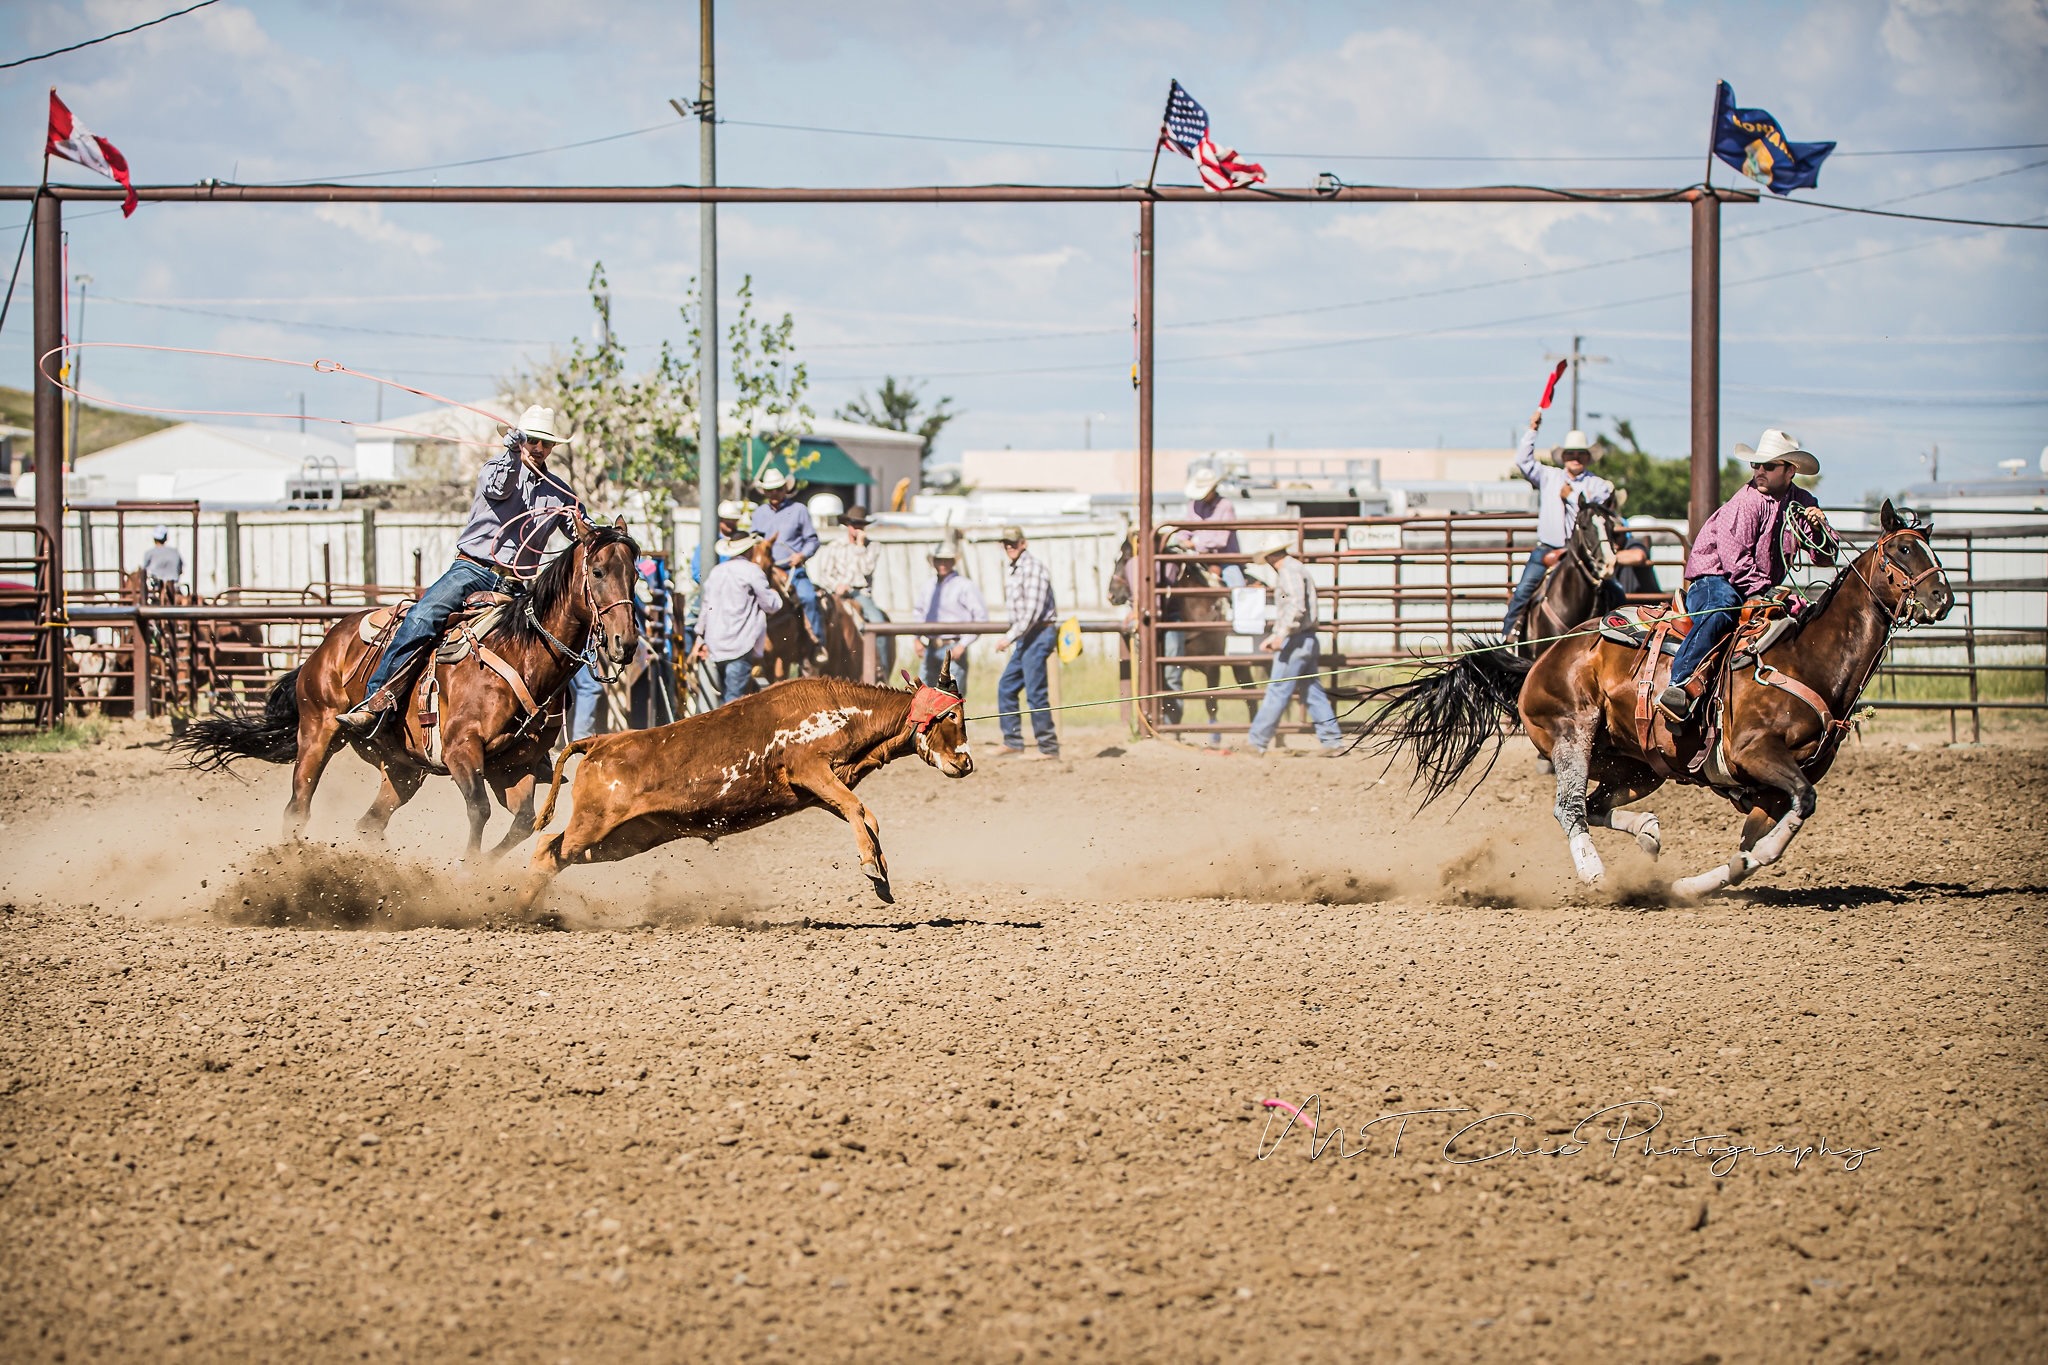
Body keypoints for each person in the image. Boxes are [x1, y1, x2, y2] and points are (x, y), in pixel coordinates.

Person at [340, 405, 585, 732]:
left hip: (515, 585)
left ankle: (530, 737)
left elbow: (582, 529)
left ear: (553, 447)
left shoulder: (560, 493)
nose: (539, 448)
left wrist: (605, 535)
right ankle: (378, 697)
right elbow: (501, 488)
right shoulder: (496, 470)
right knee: (422, 618)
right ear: (522, 441)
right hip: (472, 571)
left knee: (543, 648)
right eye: (533, 440)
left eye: (545, 442)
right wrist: (511, 454)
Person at [1658, 429, 1839, 724]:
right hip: (1716, 580)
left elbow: (1824, 557)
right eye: (1756, 465)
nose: (1759, 471)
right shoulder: (1747, 502)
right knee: (1721, 609)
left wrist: (1818, 528)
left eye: (1768, 466)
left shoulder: (1803, 503)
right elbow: (1735, 561)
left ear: (1790, 471)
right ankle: (1680, 684)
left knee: (1805, 621)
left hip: (1757, 584)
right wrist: (1764, 591)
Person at [1501, 417, 1616, 639]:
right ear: (1563, 457)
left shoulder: (1598, 485)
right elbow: (1523, 461)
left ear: (1587, 457)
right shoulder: (1549, 476)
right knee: (1523, 590)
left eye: (1580, 453)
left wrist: (1570, 496)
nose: (1575, 458)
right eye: (1571, 453)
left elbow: (1592, 513)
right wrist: (1532, 430)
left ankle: (1617, 634)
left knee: (1615, 591)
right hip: (1548, 548)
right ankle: (1508, 635)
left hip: (1585, 553)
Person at [1246, 541, 1344, 757]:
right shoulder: (1295, 569)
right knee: (1312, 691)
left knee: (1278, 690)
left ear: (1272, 558)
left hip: (1296, 639)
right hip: (1305, 638)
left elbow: (1296, 605)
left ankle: (1257, 740)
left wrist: (1280, 634)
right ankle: (1332, 740)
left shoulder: (1288, 572)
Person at [992, 526, 1059, 759]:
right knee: (1007, 686)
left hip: (1038, 633)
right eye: (1006, 543)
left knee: (1035, 692)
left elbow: (1031, 613)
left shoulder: (1032, 569)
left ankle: (1048, 747)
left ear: (1023, 543)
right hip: (1029, 635)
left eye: (1013, 543)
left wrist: (1009, 637)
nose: (1010, 547)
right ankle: (1013, 740)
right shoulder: (1018, 569)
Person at [691, 532, 781, 706]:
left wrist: (700, 636)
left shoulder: (716, 572)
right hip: (740, 643)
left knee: (718, 698)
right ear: (749, 550)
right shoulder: (752, 572)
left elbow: (705, 607)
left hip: (715, 645)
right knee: (733, 699)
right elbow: (770, 605)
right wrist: (776, 595)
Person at [749, 467, 825, 663]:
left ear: (785, 489)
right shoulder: (758, 513)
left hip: (792, 569)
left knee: (808, 597)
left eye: (778, 489)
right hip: (765, 571)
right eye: (770, 490)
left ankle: (817, 643)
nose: (774, 493)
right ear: (765, 492)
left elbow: (813, 540)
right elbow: (752, 542)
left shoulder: (799, 510)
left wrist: (802, 555)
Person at [916, 536, 986, 697]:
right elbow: (919, 612)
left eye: (946, 560)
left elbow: (980, 617)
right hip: (931, 647)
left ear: (953, 562)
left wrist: (962, 644)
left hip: (953, 646)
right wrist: (916, 638)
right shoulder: (929, 586)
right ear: (933, 562)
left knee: (950, 700)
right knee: (924, 697)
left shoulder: (964, 586)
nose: (942, 564)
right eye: (939, 560)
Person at [810, 505, 885, 627]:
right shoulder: (835, 546)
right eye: (854, 524)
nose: (857, 528)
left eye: (860, 524)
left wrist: (860, 546)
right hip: (835, 593)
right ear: (847, 525)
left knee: (878, 623)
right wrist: (837, 586)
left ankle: (879, 646)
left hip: (860, 593)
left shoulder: (873, 546)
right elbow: (825, 574)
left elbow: (867, 570)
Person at [1176, 469, 1246, 588]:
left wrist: (1194, 544)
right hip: (1198, 558)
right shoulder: (1193, 505)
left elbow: (1221, 540)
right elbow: (1185, 530)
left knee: (1237, 586)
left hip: (1224, 559)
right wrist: (1182, 540)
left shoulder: (1225, 505)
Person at [139, 526, 183, 596]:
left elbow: (143, 572)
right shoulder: (175, 552)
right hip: (174, 590)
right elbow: (180, 570)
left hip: (155, 592)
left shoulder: (149, 553)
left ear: (154, 538)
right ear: (166, 538)